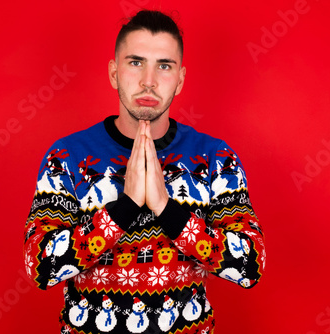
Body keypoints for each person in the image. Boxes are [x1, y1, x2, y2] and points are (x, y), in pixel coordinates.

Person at [24, 9, 266, 334]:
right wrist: (122, 211)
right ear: (113, 73)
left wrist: (167, 210)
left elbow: (250, 267)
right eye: (135, 62)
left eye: (163, 66)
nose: (148, 81)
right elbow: (40, 266)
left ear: (179, 80)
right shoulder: (67, 158)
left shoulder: (215, 158)